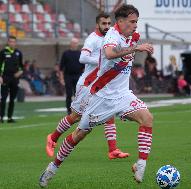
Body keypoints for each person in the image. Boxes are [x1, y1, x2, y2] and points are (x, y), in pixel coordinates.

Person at [39, 4, 154, 187]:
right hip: (101, 96)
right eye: (132, 22)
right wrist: (136, 49)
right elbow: (109, 53)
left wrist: (139, 47)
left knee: (147, 118)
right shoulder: (112, 36)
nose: (135, 25)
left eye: (136, 22)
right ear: (121, 21)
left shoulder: (132, 36)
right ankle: (52, 168)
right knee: (79, 134)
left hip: (123, 95)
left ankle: (140, 164)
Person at [45, 13, 129, 160]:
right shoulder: (92, 39)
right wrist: (101, 60)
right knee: (75, 116)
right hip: (87, 84)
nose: (107, 26)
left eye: (109, 23)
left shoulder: (110, 38)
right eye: (104, 23)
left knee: (109, 114)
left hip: (101, 84)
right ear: (97, 25)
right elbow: (82, 58)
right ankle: (52, 137)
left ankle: (113, 149)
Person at [0, 36, 24, 123]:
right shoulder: (3, 52)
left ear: (16, 43)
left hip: (15, 79)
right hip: (5, 78)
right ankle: (1, 117)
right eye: (10, 41)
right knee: (3, 98)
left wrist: (20, 72)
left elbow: (21, 66)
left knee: (12, 99)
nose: (12, 43)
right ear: (8, 42)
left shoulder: (18, 53)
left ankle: (10, 118)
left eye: (14, 42)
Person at [60, 37, 84, 114]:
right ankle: (68, 110)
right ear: (70, 44)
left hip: (78, 76)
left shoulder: (80, 54)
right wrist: (61, 79)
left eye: (76, 43)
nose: (74, 44)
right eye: (73, 43)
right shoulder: (65, 53)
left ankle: (78, 110)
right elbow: (61, 67)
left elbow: (84, 67)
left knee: (78, 94)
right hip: (68, 76)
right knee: (69, 94)